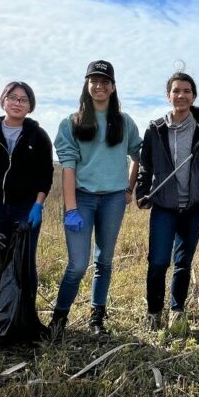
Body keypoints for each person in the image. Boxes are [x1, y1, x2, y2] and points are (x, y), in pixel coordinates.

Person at [51, 60, 142, 336]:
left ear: (113, 87)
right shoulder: (72, 122)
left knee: (104, 261)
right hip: (82, 199)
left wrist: (129, 189)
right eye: (94, 81)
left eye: (105, 81)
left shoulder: (124, 122)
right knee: (78, 264)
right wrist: (71, 209)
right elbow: (68, 167)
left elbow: (139, 155)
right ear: (87, 85)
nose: (99, 86)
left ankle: (96, 319)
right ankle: (58, 320)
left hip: (113, 200)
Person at [136, 72, 199, 331]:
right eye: (176, 91)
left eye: (186, 91)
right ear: (168, 96)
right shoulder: (155, 129)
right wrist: (141, 190)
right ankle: (153, 312)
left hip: (193, 208)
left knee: (183, 263)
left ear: (193, 96)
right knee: (159, 261)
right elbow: (146, 166)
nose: (181, 95)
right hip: (164, 207)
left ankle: (177, 310)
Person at [0, 81, 54, 299]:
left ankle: (22, 318)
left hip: (25, 208)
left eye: (24, 99)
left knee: (24, 262)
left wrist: (37, 205)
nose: (17, 103)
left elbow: (46, 174)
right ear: (3, 100)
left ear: (30, 106)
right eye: (12, 97)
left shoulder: (38, 135)